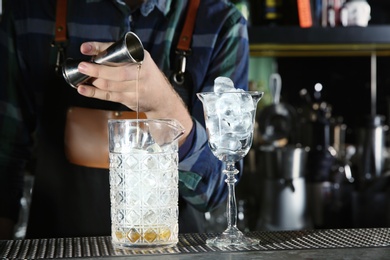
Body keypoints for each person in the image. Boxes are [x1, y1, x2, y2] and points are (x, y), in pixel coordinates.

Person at [0, 0, 249, 239]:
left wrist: (166, 107)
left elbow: (215, 192)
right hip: (57, 250)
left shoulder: (221, 24)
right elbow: (4, 155)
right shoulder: (28, 11)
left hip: (174, 250)